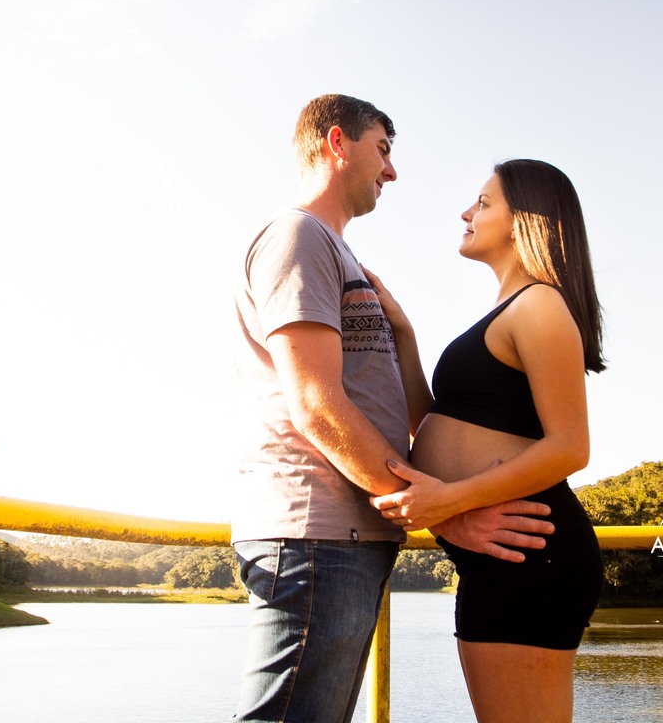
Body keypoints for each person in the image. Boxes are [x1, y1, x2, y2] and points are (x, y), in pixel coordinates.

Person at [231, 97, 559, 723]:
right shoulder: (297, 235)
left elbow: (395, 408)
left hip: (347, 532)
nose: (392, 170)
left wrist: (403, 337)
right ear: (338, 143)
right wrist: (446, 516)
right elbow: (315, 405)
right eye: (383, 149)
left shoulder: (338, 254)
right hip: (314, 530)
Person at [367, 158, 606, 723]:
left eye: (484, 202)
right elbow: (432, 423)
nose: (466, 213)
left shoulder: (540, 304)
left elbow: (571, 446)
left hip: (530, 556)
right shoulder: (505, 312)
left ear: (526, 221)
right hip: (497, 559)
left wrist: (451, 501)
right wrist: (404, 335)